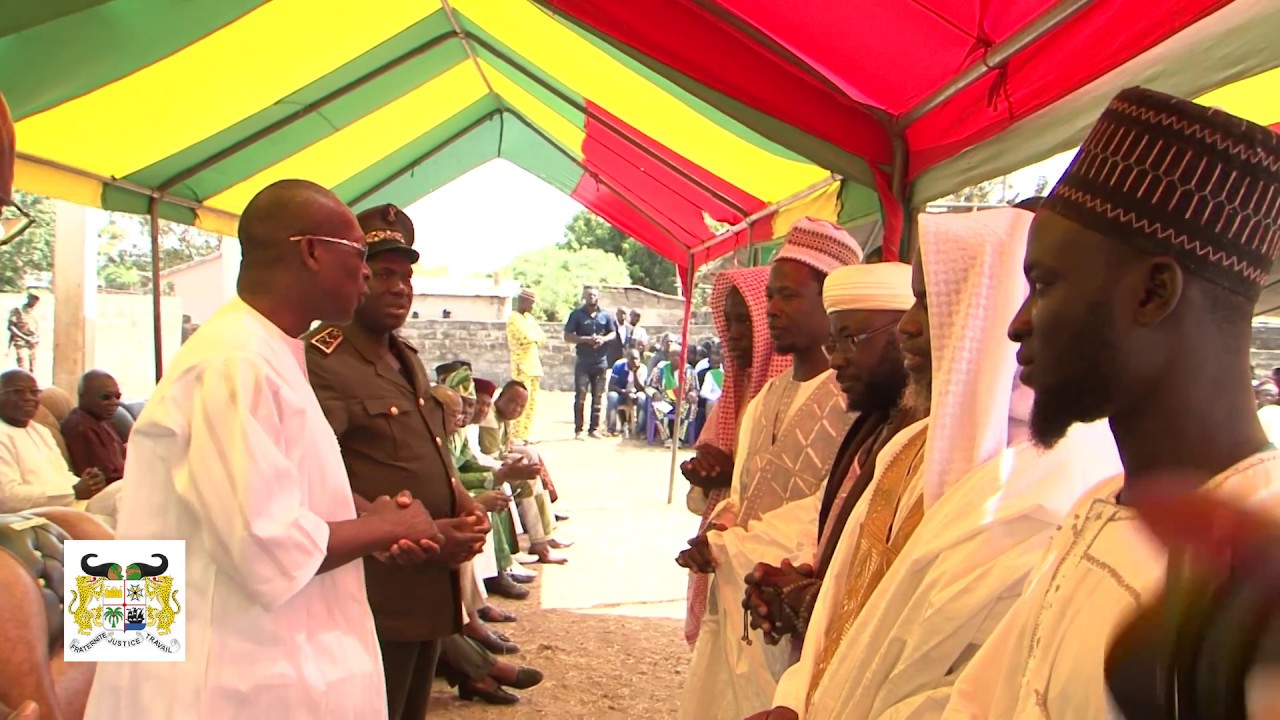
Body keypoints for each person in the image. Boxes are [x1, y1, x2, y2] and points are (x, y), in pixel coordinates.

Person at [941, 88, 1280, 719]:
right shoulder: (1098, 509)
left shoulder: (1259, 563)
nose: (1018, 326)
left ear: (1152, 293)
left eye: (1043, 286)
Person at [84, 180, 445, 720]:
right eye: (360, 255)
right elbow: (263, 541)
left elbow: (271, 493)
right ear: (311, 251)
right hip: (223, 681)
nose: (368, 273)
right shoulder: (232, 362)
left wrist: (365, 516)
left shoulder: (263, 350)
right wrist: (387, 527)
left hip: (239, 663)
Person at [760, 209, 1125, 720]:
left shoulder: (1055, 486)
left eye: (933, 303)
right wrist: (794, 700)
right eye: (913, 303)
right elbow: (837, 613)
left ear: (996, 308)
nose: (907, 327)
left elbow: (976, 691)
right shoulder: (906, 449)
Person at [304, 203, 489, 720]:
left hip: (419, 581)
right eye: (379, 273)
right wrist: (400, 531)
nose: (397, 287)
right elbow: (309, 479)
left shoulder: (403, 356)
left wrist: (460, 504)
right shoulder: (293, 361)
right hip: (371, 587)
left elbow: (422, 450)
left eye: (404, 275)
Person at [676, 218, 862, 720]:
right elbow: (744, 498)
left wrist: (731, 546)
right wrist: (716, 533)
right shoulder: (765, 400)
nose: (772, 310)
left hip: (799, 617)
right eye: (771, 297)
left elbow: (832, 515)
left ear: (832, 302)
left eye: (789, 297)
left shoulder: (855, 401)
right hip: (738, 606)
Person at [740, 261, 917, 649]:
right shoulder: (875, 425)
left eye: (851, 340)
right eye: (834, 344)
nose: (836, 360)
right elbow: (828, 518)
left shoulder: (926, 440)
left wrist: (813, 598)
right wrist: (795, 579)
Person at [682, 267, 793, 644]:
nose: (733, 332)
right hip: (721, 544)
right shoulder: (737, 385)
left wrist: (736, 473)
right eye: (727, 321)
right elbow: (715, 452)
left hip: (771, 556)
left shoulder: (793, 392)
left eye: (745, 320)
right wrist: (701, 469)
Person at [479, 379, 571, 563]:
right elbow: (490, 456)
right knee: (528, 478)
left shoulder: (503, 417)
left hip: (496, 464)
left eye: (521, 406)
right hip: (487, 469)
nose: (516, 408)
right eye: (512, 402)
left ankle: (546, 532)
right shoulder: (490, 416)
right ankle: (539, 544)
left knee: (531, 458)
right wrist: (515, 465)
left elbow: (504, 447)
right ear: (500, 397)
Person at [0, 369, 105, 512]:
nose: (28, 398)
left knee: (123, 494)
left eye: (34, 392)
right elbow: (8, 498)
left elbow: (62, 476)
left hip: (68, 505)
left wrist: (89, 483)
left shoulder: (40, 431)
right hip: (33, 518)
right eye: (18, 391)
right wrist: (72, 492)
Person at [564, 286, 618, 440]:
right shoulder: (576, 315)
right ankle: (579, 430)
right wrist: (585, 340)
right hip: (583, 361)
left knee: (598, 397)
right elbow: (568, 336)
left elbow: (613, 333)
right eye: (588, 295)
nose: (591, 297)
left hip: (600, 362)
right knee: (580, 396)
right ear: (584, 297)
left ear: (598, 297)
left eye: (594, 295)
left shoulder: (605, 315)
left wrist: (603, 339)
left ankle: (594, 429)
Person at [59, 370, 126, 484]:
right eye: (106, 397)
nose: (114, 402)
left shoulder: (102, 420)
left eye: (117, 397)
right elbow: (102, 477)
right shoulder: (80, 427)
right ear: (83, 396)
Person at [506, 289, 545, 444]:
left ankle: (525, 434)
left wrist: (533, 336)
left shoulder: (529, 318)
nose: (533, 307)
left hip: (534, 365)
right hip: (521, 366)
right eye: (531, 303)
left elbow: (542, 338)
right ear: (523, 301)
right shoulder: (513, 318)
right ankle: (515, 435)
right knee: (519, 401)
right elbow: (525, 337)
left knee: (532, 402)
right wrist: (533, 336)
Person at [607, 349, 648, 437]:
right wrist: (624, 392)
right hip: (621, 394)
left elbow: (642, 389)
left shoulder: (643, 368)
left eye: (636, 359)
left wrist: (635, 373)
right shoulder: (619, 366)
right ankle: (611, 429)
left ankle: (640, 430)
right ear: (627, 359)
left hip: (635, 395)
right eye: (632, 359)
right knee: (612, 396)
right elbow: (611, 386)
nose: (634, 361)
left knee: (643, 398)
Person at [8, 293, 38, 373]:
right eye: (33, 298)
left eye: (37, 299)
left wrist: (35, 338)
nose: (35, 301)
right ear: (28, 298)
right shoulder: (18, 310)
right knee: (22, 362)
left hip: (33, 340)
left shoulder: (36, 311)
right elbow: (11, 327)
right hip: (20, 339)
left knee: (33, 364)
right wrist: (25, 338)